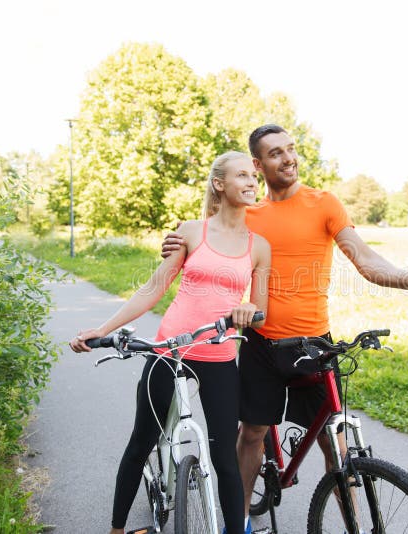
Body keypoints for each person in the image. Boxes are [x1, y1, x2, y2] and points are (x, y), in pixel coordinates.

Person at [161, 125, 408, 529]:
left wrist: (407, 278)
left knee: (334, 442)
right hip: (260, 343)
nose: (288, 158)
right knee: (253, 433)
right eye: (275, 153)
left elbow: (364, 260)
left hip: (313, 344)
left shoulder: (323, 204)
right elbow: (207, 245)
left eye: (291, 149)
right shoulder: (248, 213)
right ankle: (236, 523)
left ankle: (356, 527)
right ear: (257, 165)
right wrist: (174, 246)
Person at [70, 151, 271, 534]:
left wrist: (247, 308)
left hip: (220, 355)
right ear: (219, 184)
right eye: (241, 175)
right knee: (141, 441)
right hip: (169, 352)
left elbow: (259, 308)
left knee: (225, 461)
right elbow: (154, 289)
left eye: (253, 177)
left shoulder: (259, 246)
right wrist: (103, 328)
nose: (250, 182)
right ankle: (116, 529)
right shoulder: (191, 231)